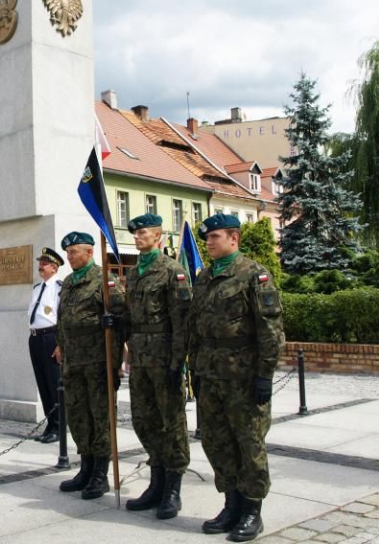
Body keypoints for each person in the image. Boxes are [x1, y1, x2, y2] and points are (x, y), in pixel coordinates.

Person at [188, 214, 284, 542]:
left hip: (242, 376)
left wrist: (265, 376)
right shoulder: (203, 277)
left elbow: (270, 330)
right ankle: (231, 503)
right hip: (210, 374)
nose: (209, 242)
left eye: (215, 236)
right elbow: (195, 330)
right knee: (216, 442)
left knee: (249, 443)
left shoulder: (253, 275)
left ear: (234, 238)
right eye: (208, 238)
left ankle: (252, 511)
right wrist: (194, 371)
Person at [123, 214, 192, 519]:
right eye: (135, 233)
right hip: (139, 357)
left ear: (158, 237)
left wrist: (178, 362)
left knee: (171, 422)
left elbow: (182, 322)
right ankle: (156, 480)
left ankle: (173, 488)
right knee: (143, 419)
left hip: (163, 356)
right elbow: (132, 315)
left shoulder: (171, 271)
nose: (137, 237)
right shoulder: (133, 273)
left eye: (142, 233)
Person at [55, 232, 124, 500]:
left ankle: (100, 474)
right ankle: (85, 467)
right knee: (78, 416)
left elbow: (118, 326)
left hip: (98, 362)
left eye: (74, 252)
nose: (70, 257)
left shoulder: (105, 281)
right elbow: (62, 319)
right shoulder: (69, 282)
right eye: (68, 252)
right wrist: (61, 346)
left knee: (100, 417)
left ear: (90, 252)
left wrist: (115, 365)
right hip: (73, 362)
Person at [27, 247, 64, 443]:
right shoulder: (36, 288)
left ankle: (58, 426)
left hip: (51, 338)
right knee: (42, 383)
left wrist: (60, 344)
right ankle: (50, 424)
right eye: (40, 263)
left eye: (45, 263)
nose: (40, 266)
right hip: (35, 338)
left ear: (54, 267)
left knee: (53, 383)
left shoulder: (59, 288)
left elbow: (62, 318)